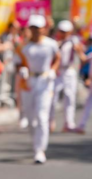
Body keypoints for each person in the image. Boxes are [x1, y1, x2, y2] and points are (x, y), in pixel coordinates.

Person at [15, 14, 60, 164]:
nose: (35, 31)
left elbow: (57, 58)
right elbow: (17, 63)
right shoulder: (24, 47)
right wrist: (22, 69)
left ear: (43, 29)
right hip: (28, 82)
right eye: (33, 28)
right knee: (30, 117)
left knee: (42, 116)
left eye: (38, 28)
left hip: (45, 81)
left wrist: (53, 70)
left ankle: (39, 150)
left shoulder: (51, 44)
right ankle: (36, 142)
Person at [49, 20, 80, 132]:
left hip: (69, 71)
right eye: (61, 31)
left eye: (65, 31)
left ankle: (69, 122)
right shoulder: (54, 41)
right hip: (57, 72)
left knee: (69, 97)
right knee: (52, 97)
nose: (62, 33)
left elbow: (80, 50)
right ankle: (50, 121)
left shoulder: (73, 40)